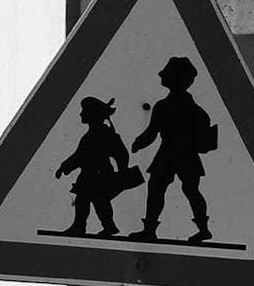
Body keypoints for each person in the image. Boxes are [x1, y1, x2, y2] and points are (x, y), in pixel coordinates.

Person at [130, 55, 216, 243]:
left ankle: (203, 229)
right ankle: (150, 230)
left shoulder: (182, 109)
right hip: (171, 154)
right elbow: (152, 132)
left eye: (167, 73)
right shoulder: (184, 108)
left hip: (180, 154)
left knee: (188, 190)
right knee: (160, 188)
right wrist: (139, 142)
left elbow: (152, 133)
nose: (162, 75)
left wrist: (139, 142)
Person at [48, 96, 133, 237]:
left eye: (84, 111)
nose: (81, 114)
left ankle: (104, 226)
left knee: (98, 202)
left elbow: (121, 153)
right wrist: (64, 167)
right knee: (85, 201)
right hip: (88, 174)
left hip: (100, 174)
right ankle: (83, 226)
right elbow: (79, 156)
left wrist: (122, 170)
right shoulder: (90, 135)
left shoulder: (104, 133)